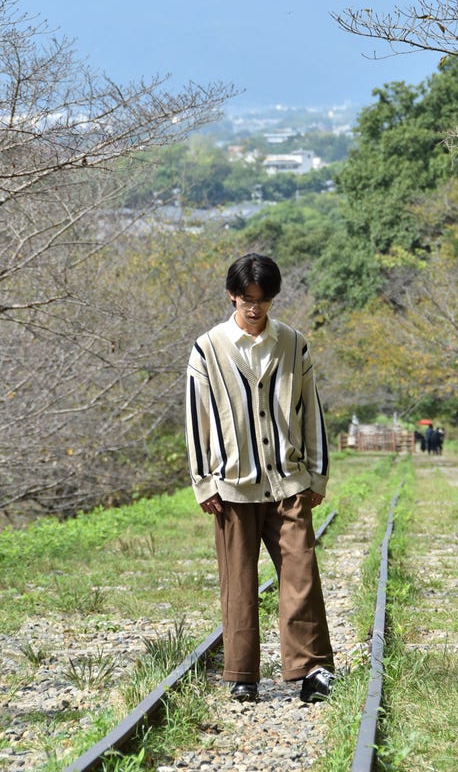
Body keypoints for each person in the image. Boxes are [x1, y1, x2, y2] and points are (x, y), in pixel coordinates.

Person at [185, 253, 334, 704]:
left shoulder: (293, 343)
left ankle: (311, 671)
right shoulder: (207, 348)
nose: (255, 308)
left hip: (289, 482)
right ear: (233, 295)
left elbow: (312, 412)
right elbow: (197, 418)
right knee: (239, 581)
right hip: (231, 485)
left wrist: (317, 475)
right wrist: (204, 481)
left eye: (264, 300)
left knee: (301, 573)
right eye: (248, 299)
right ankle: (242, 674)